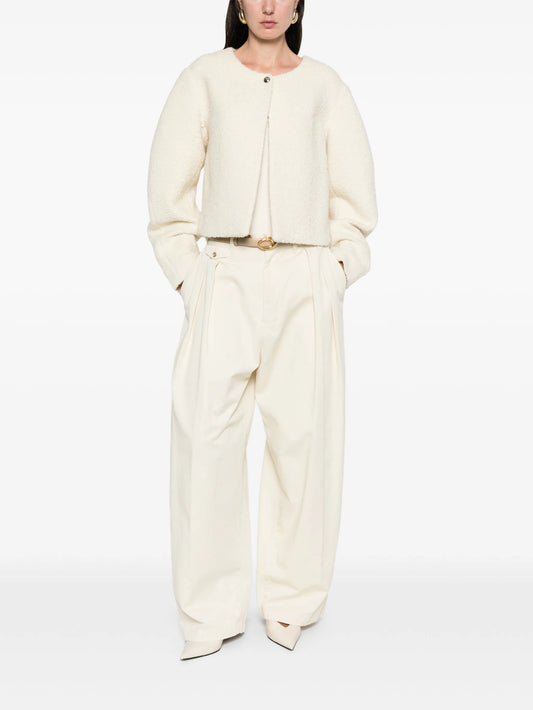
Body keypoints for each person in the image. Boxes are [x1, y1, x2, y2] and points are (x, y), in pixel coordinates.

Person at [146, 0, 378, 661]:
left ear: (300, 5)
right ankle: (208, 610)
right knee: (205, 440)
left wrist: (336, 268)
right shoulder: (203, 78)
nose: (269, 6)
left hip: (305, 274)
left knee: (305, 443)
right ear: (239, 4)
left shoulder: (325, 87)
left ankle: (292, 602)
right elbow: (168, 195)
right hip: (224, 272)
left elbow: (354, 200)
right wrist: (190, 276)